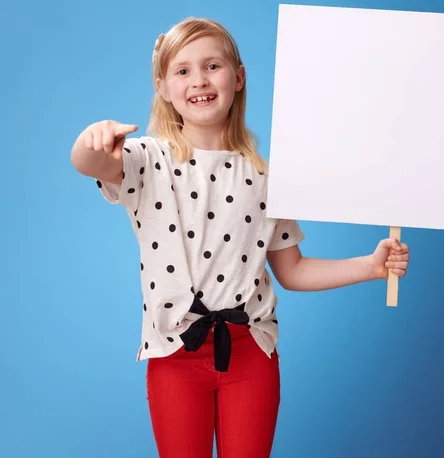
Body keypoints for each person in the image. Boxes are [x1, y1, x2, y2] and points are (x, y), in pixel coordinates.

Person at [70, 16, 410, 458]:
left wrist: (371, 265)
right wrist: (89, 139)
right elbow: (89, 164)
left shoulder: (269, 177)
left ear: (239, 77)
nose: (199, 80)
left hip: (252, 352)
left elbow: (293, 270)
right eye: (183, 70)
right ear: (163, 87)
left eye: (212, 66)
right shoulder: (145, 159)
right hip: (175, 353)